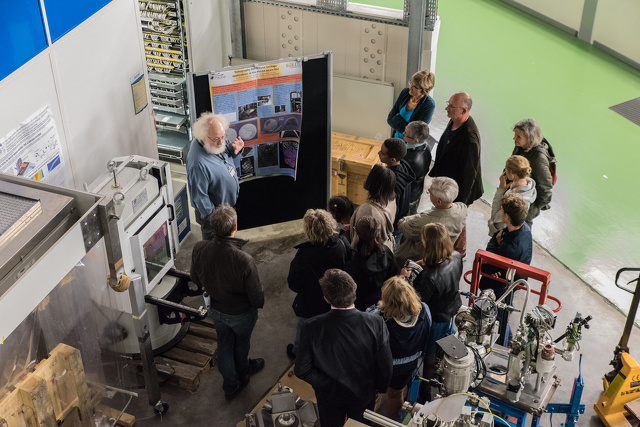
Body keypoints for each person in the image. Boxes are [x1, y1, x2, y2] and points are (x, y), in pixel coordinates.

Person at [295, 269, 393, 425]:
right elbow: (385, 366)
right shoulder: (376, 324)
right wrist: (379, 388)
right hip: (363, 394)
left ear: (326, 299)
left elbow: (302, 369)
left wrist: (326, 384)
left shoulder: (311, 327)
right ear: (355, 287)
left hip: (329, 398)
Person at [189, 204, 264, 399]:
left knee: (223, 343)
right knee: (241, 343)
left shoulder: (199, 248)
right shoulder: (243, 259)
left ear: (213, 227)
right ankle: (243, 372)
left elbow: (195, 278)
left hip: (216, 310)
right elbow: (256, 297)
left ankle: (230, 386)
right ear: (235, 227)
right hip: (241, 313)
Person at [402, 223, 462, 401]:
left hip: (434, 319)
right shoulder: (456, 257)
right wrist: (424, 263)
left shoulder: (428, 278)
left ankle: (425, 390)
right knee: (443, 342)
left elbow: (415, 303)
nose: (421, 239)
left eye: (423, 238)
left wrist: (405, 279)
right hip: (450, 310)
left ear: (428, 244)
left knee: (430, 354)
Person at [287, 209, 351, 360]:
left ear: (309, 231)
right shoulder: (342, 244)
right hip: (336, 299)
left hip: (311, 302)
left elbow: (293, 283)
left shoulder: (304, 255)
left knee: (304, 327)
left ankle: (298, 353)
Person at [429, 92, 483, 256]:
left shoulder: (469, 138)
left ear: (464, 110)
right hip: (448, 181)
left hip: (459, 189)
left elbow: (470, 173)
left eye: (452, 107)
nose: (447, 108)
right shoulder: (454, 121)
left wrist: (461, 203)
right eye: (448, 104)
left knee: (457, 219)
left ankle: (460, 251)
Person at [373, 276, 431, 420]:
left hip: (383, 367)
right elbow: (426, 337)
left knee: (372, 392)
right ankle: (392, 421)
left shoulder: (378, 318)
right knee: (396, 394)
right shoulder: (424, 310)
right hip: (408, 365)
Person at [480, 193, 533, 345]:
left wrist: (494, 242)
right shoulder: (525, 229)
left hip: (502, 285)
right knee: (502, 313)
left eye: (503, 211)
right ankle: (506, 339)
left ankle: (503, 342)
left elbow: (486, 262)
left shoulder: (510, 247)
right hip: (513, 280)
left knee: (497, 316)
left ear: (507, 217)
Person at [187, 112, 245, 240]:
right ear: (203, 137)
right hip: (215, 220)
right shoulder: (197, 164)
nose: (221, 142)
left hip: (225, 210)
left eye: (223, 137)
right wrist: (217, 221)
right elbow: (200, 198)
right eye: (217, 139)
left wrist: (235, 150)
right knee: (214, 248)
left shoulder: (213, 140)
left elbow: (226, 147)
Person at [396, 177, 467, 268]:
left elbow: (402, 224)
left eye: (429, 192)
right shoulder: (462, 209)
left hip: (415, 258)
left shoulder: (425, 222)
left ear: (439, 201)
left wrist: (416, 217)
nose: (429, 191)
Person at [345, 216, 398, 311]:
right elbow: (394, 276)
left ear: (357, 236)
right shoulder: (386, 252)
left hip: (361, 307)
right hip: (383, 303)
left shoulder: (353, 262)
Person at [512, 118, 556, 225]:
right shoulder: (522, 146)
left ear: (530, 138)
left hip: (525, 208)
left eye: (518, 137)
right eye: (515, 135)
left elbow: (546, 190)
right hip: (516, 197)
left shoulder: (538, 159)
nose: (514, 138)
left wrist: (531, 210)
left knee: (521, 234)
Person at [350, 164, 397, 251]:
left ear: (372, 182)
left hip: (367, 252)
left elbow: (359, 238)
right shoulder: (391, 199)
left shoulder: (367, 210)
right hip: (385, 247)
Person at [488, 155, 537, 235]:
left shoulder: (515, 200)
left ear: (512, 174)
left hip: (501, 233)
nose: (504, 172)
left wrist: (501, 190)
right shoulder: (527, 187)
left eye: (506, 170)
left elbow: (495, 217)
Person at [378, 137, 415, 231]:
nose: (378, 153)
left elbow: (390, 208)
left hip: (393, 226)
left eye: (382, 153)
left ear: (393, 159)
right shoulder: (404, 166)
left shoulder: (392, 182)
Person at [387, 70, 436, 139]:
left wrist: (397, 119)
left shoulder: (429, 105)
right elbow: (390, 118)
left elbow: (417, 133)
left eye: (415, 87)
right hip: (395, 139)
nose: (410, 87)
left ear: (423, 91)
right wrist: (407, 127)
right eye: (411, 83)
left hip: (410, 144)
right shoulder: (405, 92)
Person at [403, 121, 433, 214]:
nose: (403, 134)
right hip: (417, 189)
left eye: (406, 134)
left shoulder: (409, 159)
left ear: (416, 140)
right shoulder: (426, 147)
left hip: (408, 196)